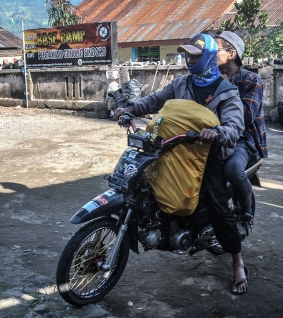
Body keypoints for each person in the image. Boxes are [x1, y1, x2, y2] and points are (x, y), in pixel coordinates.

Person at [112, 33, 250, 294]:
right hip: (174, 148)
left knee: (217, 204)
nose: (188, 59)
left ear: (208, 57)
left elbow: (234, 127)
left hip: (206, 155)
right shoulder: (181, 84)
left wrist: (217, 133)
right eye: (187, 54)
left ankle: (237, 261)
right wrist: (131, 108)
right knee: (144, 180)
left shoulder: (227, 93)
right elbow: (154, 100)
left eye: (195, 55)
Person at [206, 30, 268, 221]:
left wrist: (221, 96)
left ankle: (246, 209)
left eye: (214, 50)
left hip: (244, 140)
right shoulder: (210, 80)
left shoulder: (251, 80)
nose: (209, 55)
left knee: (232, 169)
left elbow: (247, 116)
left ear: (231, 54)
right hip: (217, 135)